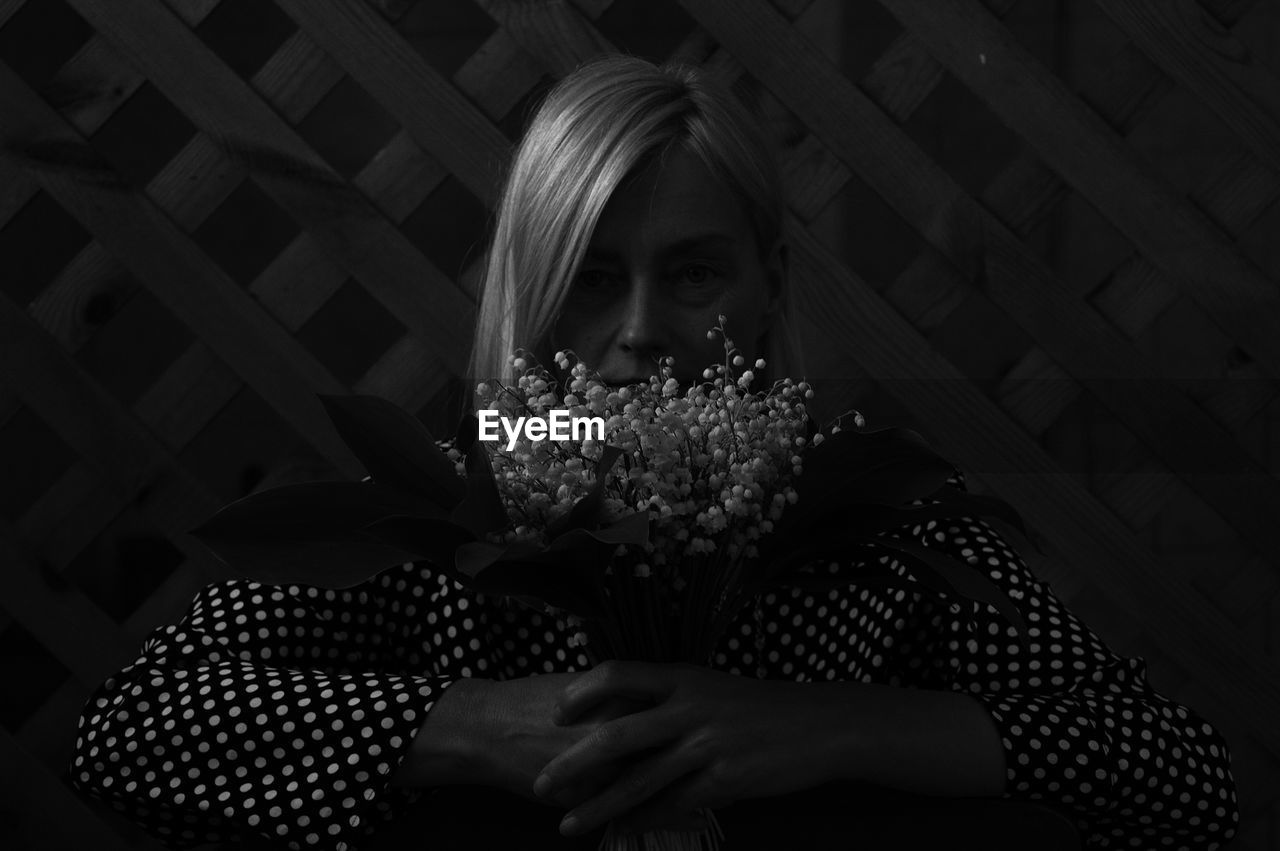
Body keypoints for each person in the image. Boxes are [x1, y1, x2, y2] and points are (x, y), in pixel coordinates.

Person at [70, 55, 1239, 850]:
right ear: (528, 296)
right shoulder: (436, 514)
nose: (637, 334)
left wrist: (822, 728)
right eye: (588, 278)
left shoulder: (875, 522)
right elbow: (135, 721)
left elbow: (1176, 773)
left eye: (690, 274)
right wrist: (478, 724)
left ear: (764, 285)